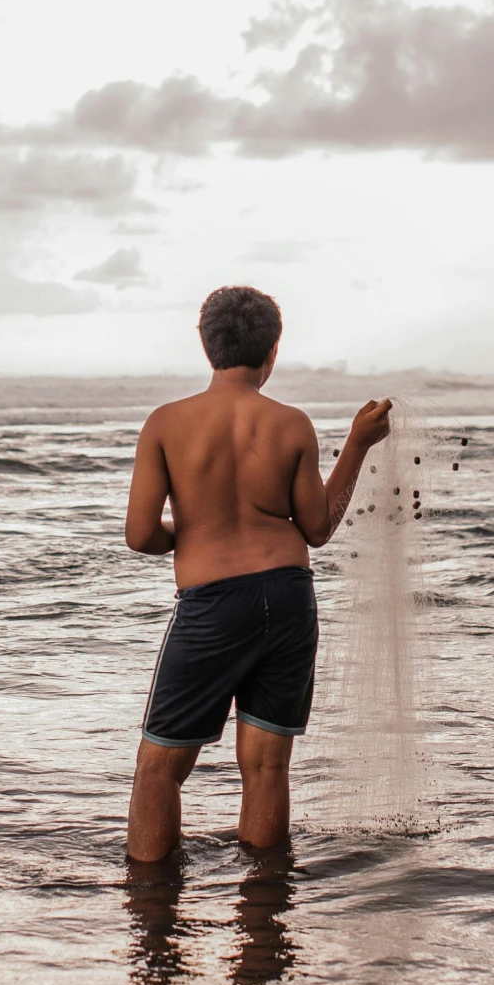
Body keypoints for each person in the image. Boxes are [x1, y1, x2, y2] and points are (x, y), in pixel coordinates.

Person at [123, 284, 392, 861]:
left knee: (159, 770)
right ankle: (265, 905)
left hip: (213, 603)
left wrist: (193, 535)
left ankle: (148, 901)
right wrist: (358, 442)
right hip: (289, 596)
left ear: (205, 345)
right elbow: (318, 528)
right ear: (272, 351)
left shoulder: (167, 423)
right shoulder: (291, 424)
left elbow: (140, 534)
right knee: (268, 765)